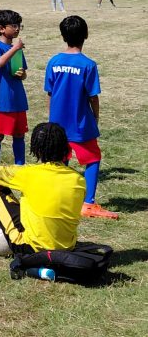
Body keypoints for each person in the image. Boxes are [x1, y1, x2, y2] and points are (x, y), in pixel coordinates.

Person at [0, 122, 84, 253]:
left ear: (37, 150)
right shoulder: (78, 179)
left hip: (31, 246)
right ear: (65, 147)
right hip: (67, 247)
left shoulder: (28, 173)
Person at [45, 16, 118, 219]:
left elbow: (50, 93)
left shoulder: (54, 62)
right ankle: (88, 203)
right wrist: (95, 117)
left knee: (60, 161)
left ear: (63, 36)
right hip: (80, 123)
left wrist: (51, 120)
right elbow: (93, 96)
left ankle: (59, 200)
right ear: (86, 35)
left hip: (57, 123)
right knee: (93, 158)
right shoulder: (88, 65)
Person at [0, 9, 28, 166]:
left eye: (19, 25)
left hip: (17, 99)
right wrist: (15, 48)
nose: (18, 29)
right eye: (14, 25)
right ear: (1, 28)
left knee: (19, 134)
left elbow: (23, 73)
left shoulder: (16, 49)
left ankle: (20, 167)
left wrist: (22, 74)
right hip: (2, 99)